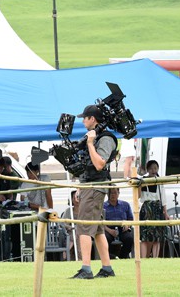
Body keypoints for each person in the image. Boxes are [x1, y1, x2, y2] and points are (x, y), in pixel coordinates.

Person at [70, 105, 117, 279]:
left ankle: (86, 269)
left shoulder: (105, 139)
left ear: (93, 119)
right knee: (97, 230)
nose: (83, 121)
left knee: (83, 226)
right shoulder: (97, 137)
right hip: (89, 186)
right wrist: (79, 186)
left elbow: (99, 164)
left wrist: (90, 143)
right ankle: (107, 268)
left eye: (85, 118)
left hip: (95, 188)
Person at [139, 160, 169, 258]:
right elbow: (138, 196)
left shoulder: (159, 180)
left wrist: (165, 212)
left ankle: (155, 257)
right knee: (144, 236)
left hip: (157, 209)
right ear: (147, 169)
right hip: (146, 208)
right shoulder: (142, 180)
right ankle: (143, 257)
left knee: (157, 236)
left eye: (155, 168)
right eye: (151, 168)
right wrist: (139, 185)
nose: (153, 170)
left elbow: (163, 198)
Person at [102, 188, 134, 259]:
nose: (113, 195)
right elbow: (100, 221)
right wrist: (109, 230)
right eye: (111, 193)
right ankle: (110, 257)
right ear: (107, 194)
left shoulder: (125, 205)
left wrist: (128, 224)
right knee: (105, 238)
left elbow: (131, 218)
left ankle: (123, 256)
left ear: (118, 193)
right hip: (108, 228)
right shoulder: (103, 206)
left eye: (115, 193)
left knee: (129, 238)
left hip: (122, 228)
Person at [61, 190, 81, 261]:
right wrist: (69, 227)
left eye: (78, 196)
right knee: (75, 232)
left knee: (77, 232)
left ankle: (67, 248)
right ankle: (79, 258)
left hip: (83, 233)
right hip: (69, 233)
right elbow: (63, 223)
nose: (77, 199)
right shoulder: (68, 211)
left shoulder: (84, 210)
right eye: (74, 197)